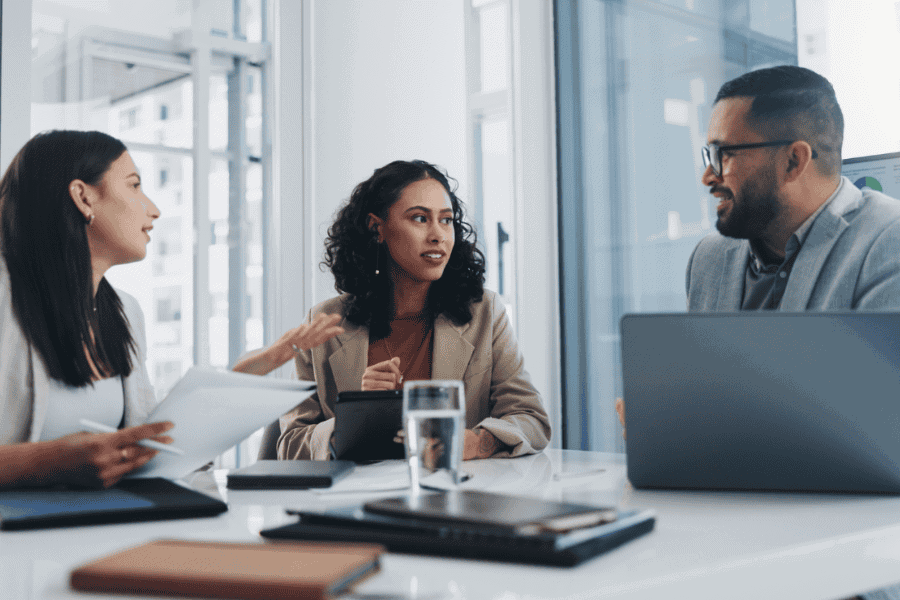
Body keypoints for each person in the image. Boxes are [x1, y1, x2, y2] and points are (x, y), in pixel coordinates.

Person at [615, 65, 900, 432]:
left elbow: (878, 419)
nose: (708, 176)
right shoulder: (709, 258)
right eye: (709, 156)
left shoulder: (888, 242)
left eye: (725, 155)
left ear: (793, 161)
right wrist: (666, 416)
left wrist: (695, 418)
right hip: (723, 485)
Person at [277, 160, 552, 460]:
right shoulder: (323, 324)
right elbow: (289, 444)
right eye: (420, 218)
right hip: (354, 501)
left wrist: (473, 442)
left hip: (456, 496)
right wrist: (356, 417)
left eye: (446, 220)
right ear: (376, 228)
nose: (438, 235)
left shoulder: (486, 314)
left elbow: (531, 419)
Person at [0, 130, 174, 489]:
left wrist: (234, 383)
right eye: (134, 185)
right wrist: (43, 462)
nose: (153, 209)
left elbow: (143, 441)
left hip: (99, 528)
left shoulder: (126, 310)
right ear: (83, 197)